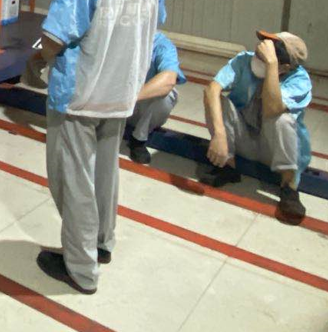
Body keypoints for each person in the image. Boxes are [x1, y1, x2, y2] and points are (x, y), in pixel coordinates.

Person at [32, 0, 165, 294]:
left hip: (80, 92)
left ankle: (81, 269)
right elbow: (152, 23)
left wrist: (36, 59)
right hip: (121, 91)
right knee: (105, 174)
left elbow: (57, 35)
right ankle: (102, 243)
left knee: (73, 182)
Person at [202, 31, 311, 223]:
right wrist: (219, 135)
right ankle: (228, 166)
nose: (258, 56)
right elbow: (212, 89)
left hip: (274, 151)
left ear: (285, 67)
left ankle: (289, 187)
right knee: (217, 101)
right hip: (247, 139)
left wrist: (271, 67)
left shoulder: (299, 80)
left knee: (283, 119)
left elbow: (272, 109)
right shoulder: (244, 61)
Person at [126, 32, 186, 164]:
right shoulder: (117, 38)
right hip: (112, 104)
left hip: (138, 106)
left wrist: (129, 99)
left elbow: (169, 79)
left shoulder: (162, 45)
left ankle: (138, 139)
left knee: (167, 94)